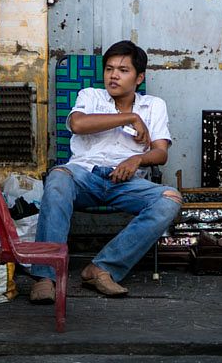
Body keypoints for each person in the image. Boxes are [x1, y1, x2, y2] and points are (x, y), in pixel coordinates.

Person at [30, 40, 182, 300]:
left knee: (170, 199)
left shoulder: (154, 105)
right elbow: (77, 124)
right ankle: (46, 276)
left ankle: (101, 269)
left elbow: (160, 153)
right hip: (83, 177)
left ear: (139, 77)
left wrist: (137, 160)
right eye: (109, 68)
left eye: (123, 70)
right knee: (57, 178)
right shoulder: (90, 96)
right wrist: (130, 118)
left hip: (125, 182)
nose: (113, 75)